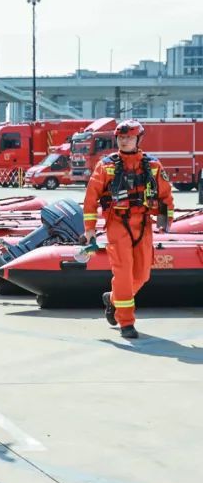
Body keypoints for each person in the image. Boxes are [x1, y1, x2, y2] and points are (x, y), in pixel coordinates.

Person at [83, 120, 173, 339]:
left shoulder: (153, 165)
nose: (124, 141)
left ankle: (112, 299)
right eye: (121, 137)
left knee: (142, 275)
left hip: (143, 224)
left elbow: (165, 195)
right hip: (117, 223)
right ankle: (126, 323)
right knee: (123, 273)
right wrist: (90, 229)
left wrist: (165, 220)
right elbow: (91, 198)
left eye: (129, 137)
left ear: (138, 139)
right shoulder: (106, 166)